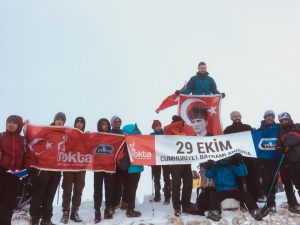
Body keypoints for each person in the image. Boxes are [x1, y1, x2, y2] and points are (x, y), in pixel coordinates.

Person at [205, 155, 269, 222]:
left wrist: (239, 163)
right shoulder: (216, 167)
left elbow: (243, 173)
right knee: (213, 195)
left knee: (246, 195)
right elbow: (208, 175)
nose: (224, 160)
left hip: (233, 190)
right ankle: (214, 212)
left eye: (225, 158)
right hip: (220, 191)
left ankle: (255, 211)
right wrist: (209, 167)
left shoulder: (231, 165)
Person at [30, 112, 66, 225]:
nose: (60, 121)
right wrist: (25, 127)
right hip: (43, 169)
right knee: (39, 195)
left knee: (50, 196)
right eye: (58, 119)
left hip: (56, 171)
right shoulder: (47, 130)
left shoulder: (66, 133)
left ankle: (46, 219)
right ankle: (34, 219)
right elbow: (34, 137)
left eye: (62, 120)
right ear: (54, 120)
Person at [223, 111, 258, 208]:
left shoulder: (247, 127)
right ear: (231, 118)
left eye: (238, 116)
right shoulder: (228, 129)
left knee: (251, 179)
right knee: (238, 181)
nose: (236, 117)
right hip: (235, 159)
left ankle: (253, 200)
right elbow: (224, 143)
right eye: (234, 116)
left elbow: (255, 138)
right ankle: (241, 201)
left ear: (241, 116)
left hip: (248, 158)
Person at [0, 115, 30, 225]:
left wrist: (25, 173)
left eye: (14, 122)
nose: (10, 124)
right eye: (9, 122)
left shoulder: (23, 140)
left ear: (19, 125)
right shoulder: (1, 136)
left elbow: (27, 157)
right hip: (1, 171)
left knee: (9, 203)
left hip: (14, 175)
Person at [164, 116, 193, 217]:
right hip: (175, 163)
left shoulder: (185, 131)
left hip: (186, 162)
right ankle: (177, 207)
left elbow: (194, 135)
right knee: (176, 185)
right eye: (181, 123)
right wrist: (178, 122)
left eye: (182, 123)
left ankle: (186, 205)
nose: (182, 125)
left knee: (188, 184)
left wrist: (183, 124)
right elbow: (165, 129)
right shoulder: (170, 130)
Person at [60, 117, 86, 223]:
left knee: (78, 190)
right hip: (69, 166)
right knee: (67, 190)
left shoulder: (87, 136)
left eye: (81, 123)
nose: (79, 124)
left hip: (81, 168)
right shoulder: (69, 134)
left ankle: (74, 212)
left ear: (84, 125)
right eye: (77, 122)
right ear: (75, 123)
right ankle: (65, 212)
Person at [255, 110, 281, 213]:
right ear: (265, 118)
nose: (269, 118)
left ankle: (272, 203)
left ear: (273, 118)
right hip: (263, 160)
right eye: (267, 117)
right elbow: (255, 140)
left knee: (273, 181)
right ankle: (268, 202)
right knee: (265, 181)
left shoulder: (278, 128)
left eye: (271, 117)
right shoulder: (260, 129)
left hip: (275, 159)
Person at [276, 112, 300, 214]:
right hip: (289, 161)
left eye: (286, 119)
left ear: (289, 118)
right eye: (282, 120)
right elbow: (277, 148)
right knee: (293, 184)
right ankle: (293, 204)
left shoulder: (297, 127)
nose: (284, 121)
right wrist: (283, 149)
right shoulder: (281, 133)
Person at [94, 118, 113, 223]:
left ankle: (107, 209)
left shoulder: (112, 137)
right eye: (103, 124)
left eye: (107, 124)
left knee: (109, 189)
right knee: (97, 190)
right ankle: (97, 211)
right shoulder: (95, 136)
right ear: (99, 126)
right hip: (97, 167)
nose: (105, 125)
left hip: (109, 167)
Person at [122, 124, 144, 217]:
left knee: (127, 187)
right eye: (134, 130)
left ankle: (125, 204)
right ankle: (130, 210)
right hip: (134, 168)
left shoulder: (125, 140)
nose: (136, 131)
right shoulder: (135, 140)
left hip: (127, 168)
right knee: (132, 189)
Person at [150, 120, 171, 204]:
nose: (158, 127)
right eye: (156, 126)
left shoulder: (165, 134)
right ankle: (157, 196)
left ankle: (167, 197)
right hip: (155, 160)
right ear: (154, 127)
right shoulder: (151, 135)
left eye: (159, 125)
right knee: (156, 179)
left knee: (166, 178)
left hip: (165, 159)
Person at [110, 116, 124, 210]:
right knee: (111, 183)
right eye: (116, 121)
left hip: (122, 161)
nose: (118, 123)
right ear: (112, 123)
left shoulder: (123, 132)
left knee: (120, 182)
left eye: (119, 121)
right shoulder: (109, 133)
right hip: (111, 161)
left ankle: (117, 202)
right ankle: (111, 202)